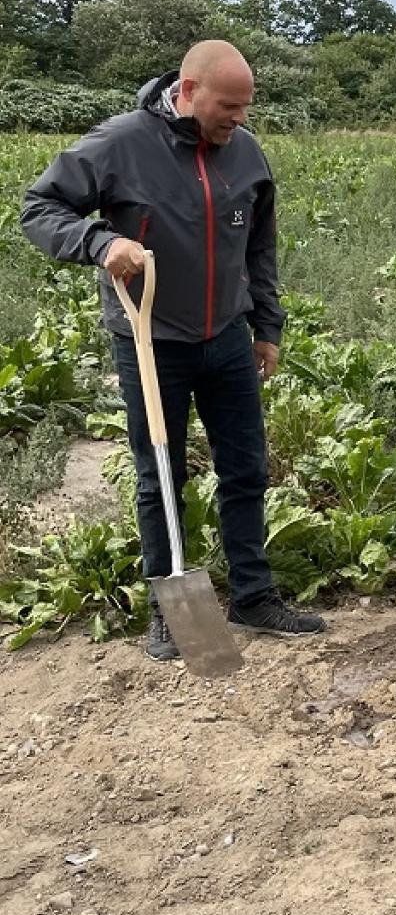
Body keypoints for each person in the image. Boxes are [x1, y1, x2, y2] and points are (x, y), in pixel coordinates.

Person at [21, 40, 326, 661]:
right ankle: (169, 608)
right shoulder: (121, 143)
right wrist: (100, 241)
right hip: (149, 338)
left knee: (245, 468)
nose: (238, 120)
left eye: (246, 109)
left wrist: (266, 325)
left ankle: (252, 596)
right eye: (228, 106)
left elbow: (259, 246)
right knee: (159, 475)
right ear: (187, 91)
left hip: (228, 337)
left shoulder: (245, 152)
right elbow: (39, 207)